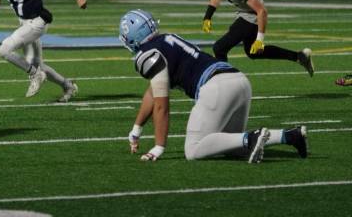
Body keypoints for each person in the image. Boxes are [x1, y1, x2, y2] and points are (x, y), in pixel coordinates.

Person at [119, 9, 308, 163]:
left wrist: (158, 147)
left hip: (216, 87)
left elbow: (161, 105)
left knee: (193, 150)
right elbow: (153, 93)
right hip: (238, 81)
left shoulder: (148, 54)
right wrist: (137, 129)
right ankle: (290, 136)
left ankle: (253, 137)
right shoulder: (166, 40)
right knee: (233, 148)